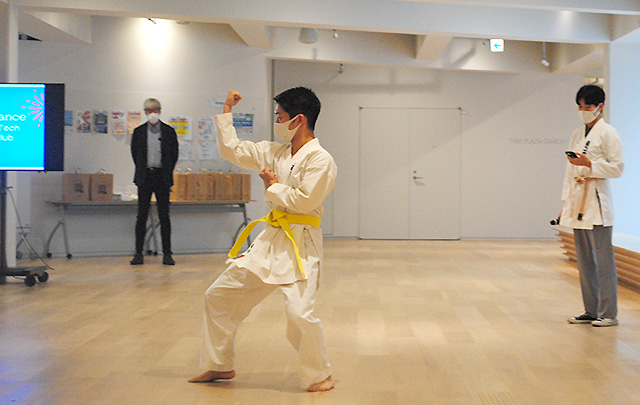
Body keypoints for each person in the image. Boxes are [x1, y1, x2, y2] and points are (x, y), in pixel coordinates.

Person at [189, 88, 337, 392]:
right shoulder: (277, 151)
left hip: (301, 243)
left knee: (298, 313)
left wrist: (271, 185)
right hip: (270, 241)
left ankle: (320, 374)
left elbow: (304, 201)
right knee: (219, 296)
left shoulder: (321, 160)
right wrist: (226, 110)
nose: (277, 121)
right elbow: (234, 151)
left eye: (280, 116)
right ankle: (218, 364)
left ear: (299, 120)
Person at [562, 85, 624, 327]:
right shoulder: (577, 133)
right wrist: (565, 203)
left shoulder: (609, 133)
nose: (583, 111)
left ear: (600, 106)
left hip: (597, 202)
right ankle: (590, 310)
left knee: (604, 261)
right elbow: (569, 171)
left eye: (587, 106)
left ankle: (608, 313)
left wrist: (591, 165)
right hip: (579, 202)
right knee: (585, 261)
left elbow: (618, 167)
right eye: (580, 106)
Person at [130, 98, 179, 266]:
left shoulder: (169, 132)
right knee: (141, 216)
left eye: (155, 109)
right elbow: (135, 155)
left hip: (162, 177)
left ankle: (167, 253)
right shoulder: (138, 132)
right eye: (149, 110)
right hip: (144, 177)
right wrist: (144, 169)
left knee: (164, 216)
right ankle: (138, 253)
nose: (152, 113)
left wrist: (166, 171)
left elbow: (174, 155)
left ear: (160, 110)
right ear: (145, 112)